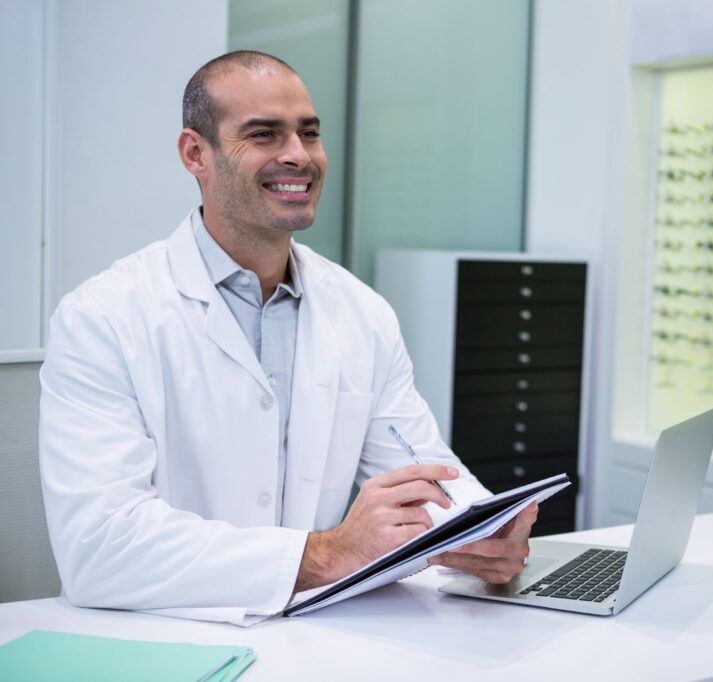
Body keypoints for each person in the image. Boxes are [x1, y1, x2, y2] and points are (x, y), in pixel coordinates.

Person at [38, 50, 537, 626]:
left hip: (316, 637)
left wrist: (486, 531)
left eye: (309, 132)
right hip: (163, 640)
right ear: (195, 153)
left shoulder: (362, 313)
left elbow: (427, 473)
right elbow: (99, 549)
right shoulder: (102, 317)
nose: (298, 156)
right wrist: (326, 554)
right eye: (264, 134)